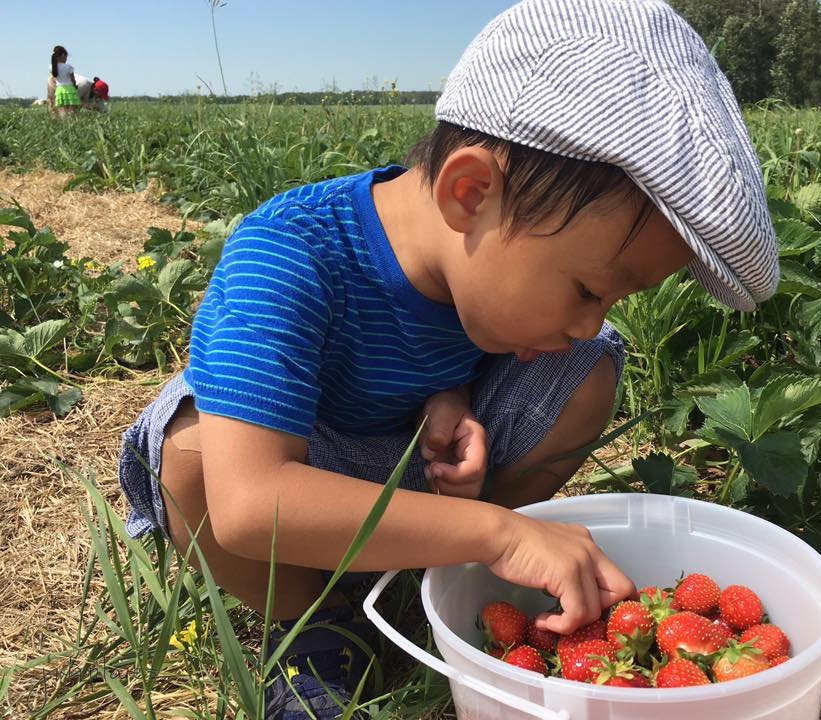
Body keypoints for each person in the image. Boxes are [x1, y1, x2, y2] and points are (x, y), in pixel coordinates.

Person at [116, 0, 779, 717]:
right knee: (187, 455)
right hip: (285, 470)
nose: (590, 320)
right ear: (471, 193)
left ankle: (449, 573)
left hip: (404, 463)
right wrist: (499, 528)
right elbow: (248, 506)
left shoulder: (479, 268)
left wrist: (449, 399)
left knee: (589, 367)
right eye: (589, 289)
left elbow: (433, 341)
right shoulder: (287, 253)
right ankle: (309, 623)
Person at [50, 45, 80, 118]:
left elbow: (54, 78)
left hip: (59, 90)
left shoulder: (52, 67)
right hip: (69, 89)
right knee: (73, 110)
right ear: (63, 55)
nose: (66, 58)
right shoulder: (68, 67)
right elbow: (73, 79)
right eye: (66, 56)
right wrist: (75, 85)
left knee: (62, 111)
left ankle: (64, 124)